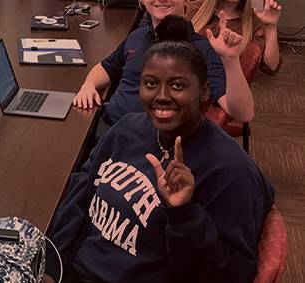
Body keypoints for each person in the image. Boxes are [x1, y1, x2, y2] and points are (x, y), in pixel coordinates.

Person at [44, 23, 274, 282]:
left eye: (177, 86)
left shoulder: (231, 171)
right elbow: (81, 195)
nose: (161, 96)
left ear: (204, 91)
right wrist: (51, 267)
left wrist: (184, 214)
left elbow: (232, 274)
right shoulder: (127, 129)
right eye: (151, 83)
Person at [73, 0, 255, 127]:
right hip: (107, 128)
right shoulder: (137, 36)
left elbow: (243, 113)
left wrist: (230, 61)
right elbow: (106, 67)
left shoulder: (201, 49)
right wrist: (88, 84)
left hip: (150, 145)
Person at [189, 0, 283, 77]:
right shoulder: (192, 9)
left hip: (225, 89)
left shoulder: (253, 22)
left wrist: (271, 27)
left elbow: (271, 66)